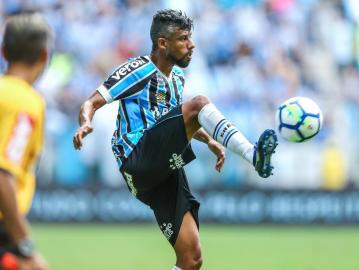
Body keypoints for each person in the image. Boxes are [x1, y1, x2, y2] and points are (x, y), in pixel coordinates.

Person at [73, 9, 277, 270]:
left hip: (161, 172)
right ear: (162, 43)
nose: (191, 45)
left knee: (191, 258)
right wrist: (85, 123)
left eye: (190, 38)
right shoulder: (138, 69)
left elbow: (176, 123)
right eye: (183, 39)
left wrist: (210, 141)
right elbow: (91, 101)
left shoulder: (178, 78)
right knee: (200, 103)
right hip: (138, 156)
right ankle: (253, 155)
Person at [0, 12, 51, 270]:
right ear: (44, 55)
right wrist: (24, 245)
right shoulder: (26, 101)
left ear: (4, 51)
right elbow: (2, 174)